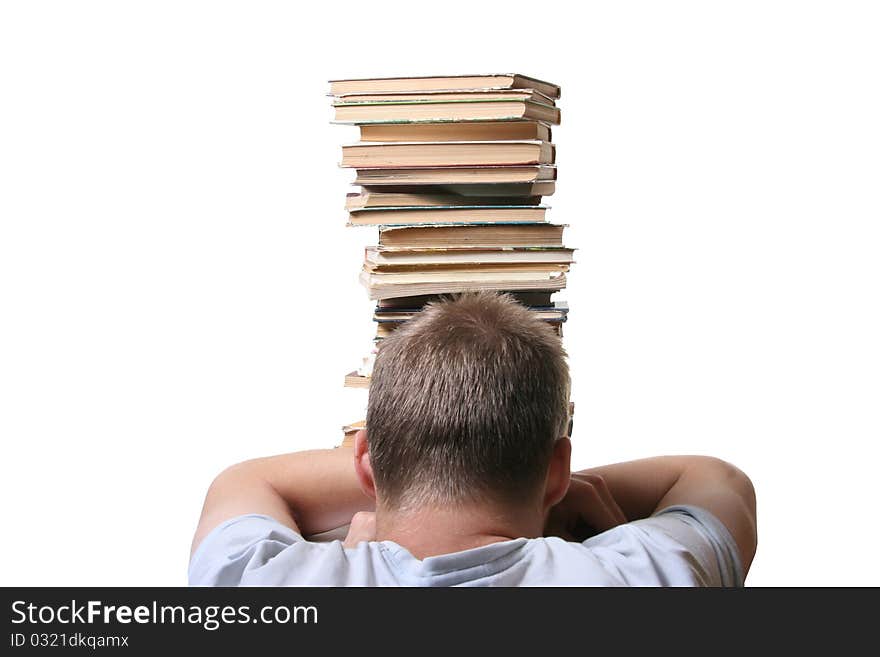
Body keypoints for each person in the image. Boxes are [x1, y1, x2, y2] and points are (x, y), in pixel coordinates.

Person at [189, 292, 757, 586]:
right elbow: (714, 477)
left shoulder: (260, 589)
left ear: (366, 462)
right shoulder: (658, 574)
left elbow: (245, 480)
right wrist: (526, 465)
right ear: (558, 471)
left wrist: (414, 454)